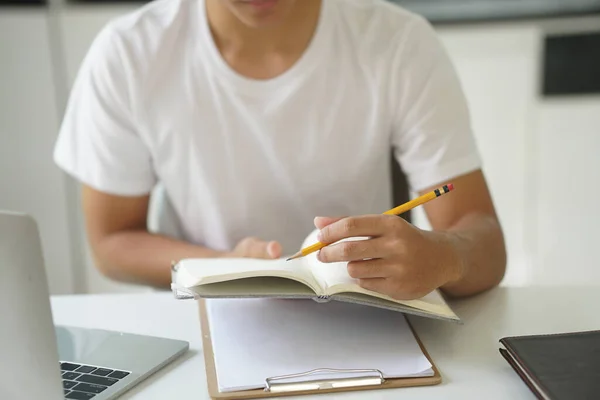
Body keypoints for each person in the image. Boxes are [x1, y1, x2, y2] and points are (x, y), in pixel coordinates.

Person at [53, 0, 506, 300]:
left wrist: (445, 257)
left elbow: (482, 235)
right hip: (205, 322)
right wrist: (220, 267)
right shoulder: (130, 54)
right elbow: (110, 242)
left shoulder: (398, 42)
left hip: (367, 322)